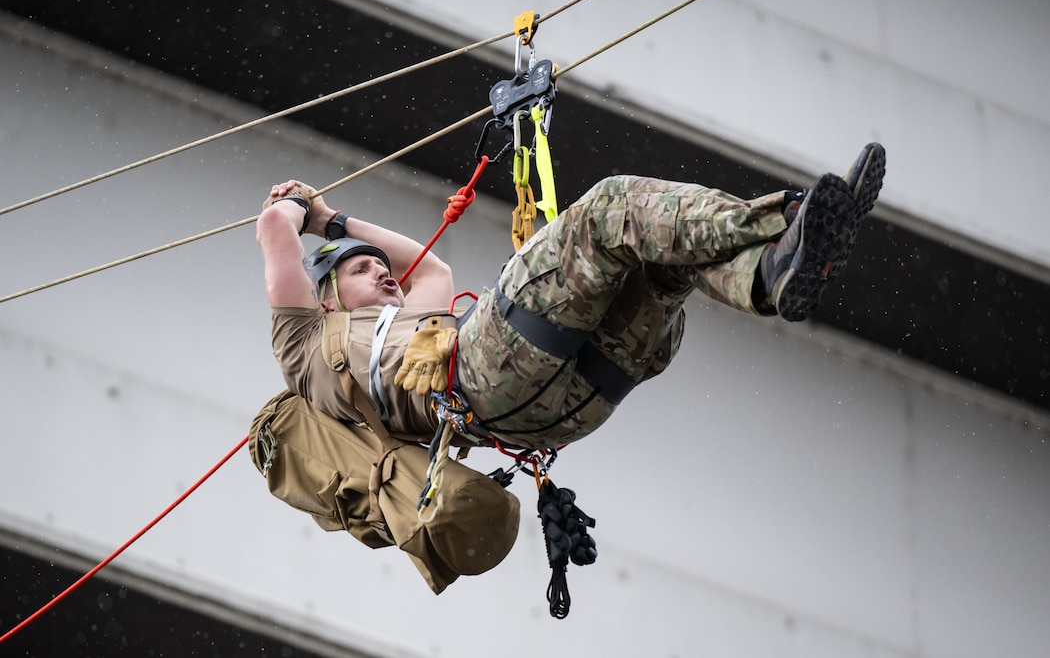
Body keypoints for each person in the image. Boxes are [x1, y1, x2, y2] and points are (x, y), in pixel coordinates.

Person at [256, 143, 886, 451]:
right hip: (479, 381)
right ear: (328, 301)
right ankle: (786, 221)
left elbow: (431, 267)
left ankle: (771, 274)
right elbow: (272, 231)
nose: (386, 272)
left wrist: (339, 222)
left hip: (558, 415)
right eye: (364, 271)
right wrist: (301, 213)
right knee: (610, 207)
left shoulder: (415, 320)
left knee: (663, 259)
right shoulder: (307, 344)